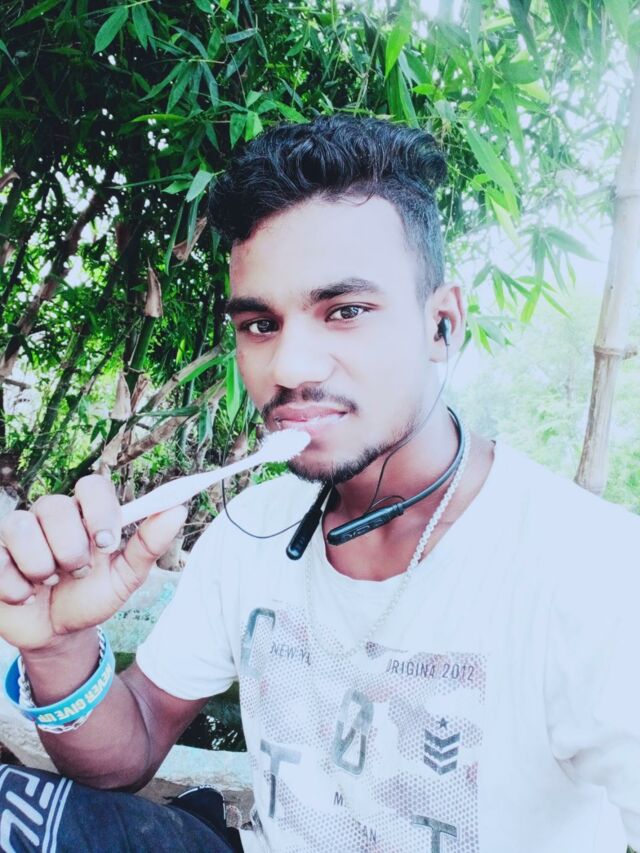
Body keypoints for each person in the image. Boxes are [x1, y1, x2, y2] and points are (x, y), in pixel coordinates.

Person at [0, 115, 638, 853]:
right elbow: (130, 746)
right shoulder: (252, 527)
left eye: (346, 311)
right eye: (259, 324)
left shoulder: (593, 573)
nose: (290, 366)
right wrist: (58, 650)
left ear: (441, 325)